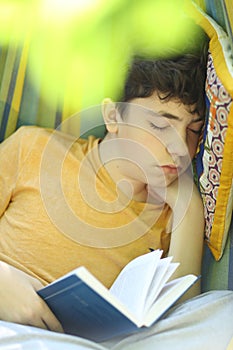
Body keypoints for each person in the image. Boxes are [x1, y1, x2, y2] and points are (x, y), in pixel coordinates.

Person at [0, 38, 232, 349]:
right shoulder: (33, 149)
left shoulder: (173, 211)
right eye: (160, 125)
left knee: (224, 311)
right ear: (113, 117)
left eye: (193, 132)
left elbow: (182, 317)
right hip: (10, 329)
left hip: (96, 344)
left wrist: (187, 205)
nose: (180, 149)